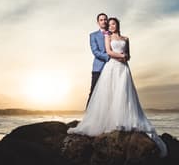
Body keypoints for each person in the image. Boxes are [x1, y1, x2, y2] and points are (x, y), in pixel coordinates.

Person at [69, 17, 168, 157]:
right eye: (109, 24)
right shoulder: (107, 37)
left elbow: (129, 55)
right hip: (112, 67)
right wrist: (120, 56)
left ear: (117, 25)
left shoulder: (126, 38)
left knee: (124, 93)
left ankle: (124, 118)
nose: (111, 26)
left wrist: (125, 57)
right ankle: (110, 120)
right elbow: (108, 52)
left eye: (113, 24)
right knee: (111, 93)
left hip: (124, 68)